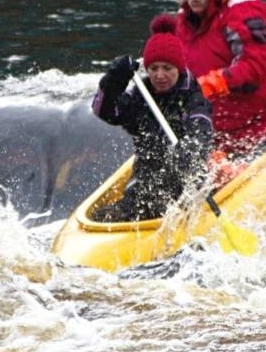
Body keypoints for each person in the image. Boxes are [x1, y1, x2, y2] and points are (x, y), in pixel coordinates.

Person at [166, 0, 266, 158]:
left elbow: (255, 66)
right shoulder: (182, 23)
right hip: (212, 133)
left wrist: (210, 85)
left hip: (258, 127)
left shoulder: (242, 8)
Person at [90, 19, 213, 222]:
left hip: (183, 188)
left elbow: (202, 136)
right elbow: (104, 111)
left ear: (179, 69)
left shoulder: (193, 100)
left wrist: (190, 150)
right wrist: (113, 81)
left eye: (167, 68)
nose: (160, 75)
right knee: (102, 216)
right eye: (154, 68)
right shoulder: (141, 97)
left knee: (152, 203)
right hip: (142, 186)